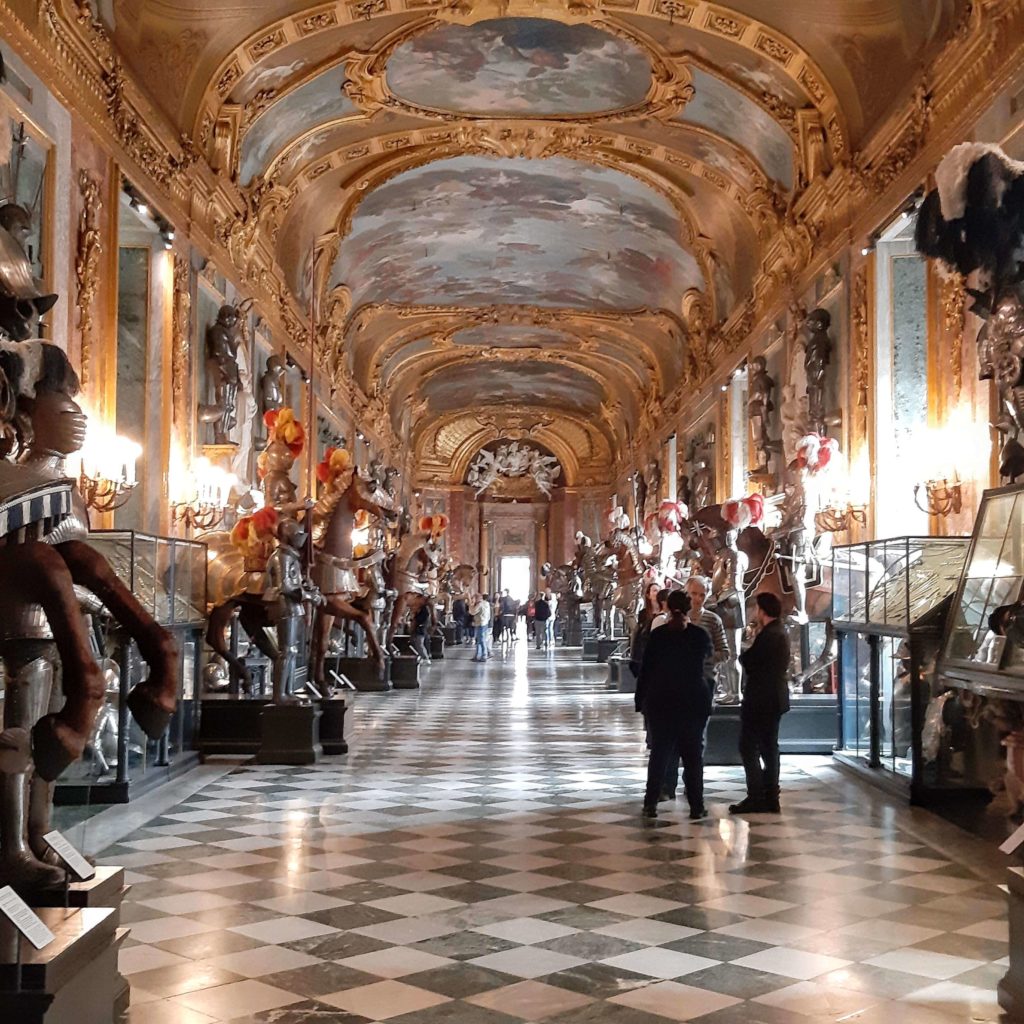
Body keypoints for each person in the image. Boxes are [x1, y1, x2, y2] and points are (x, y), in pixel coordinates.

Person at [636, 590, 712, 820]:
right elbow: (707, 667)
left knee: (659, 754)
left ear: (667, 608)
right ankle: (697, 806)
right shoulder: (700, 635)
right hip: (692, 700)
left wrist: (641, 701)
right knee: (692, 757)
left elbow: (646, 670)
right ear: (690, 609)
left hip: (663, 701)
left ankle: (651, 804)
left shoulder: (658, 635)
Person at [730, 592, 791, 815]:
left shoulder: (769, 635)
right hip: (775, 697)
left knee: (748, 746)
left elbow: (748, 660)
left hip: (760, 699)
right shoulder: (780, 632)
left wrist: (750, 646)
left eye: (757, 609)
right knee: (769, 747)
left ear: (762, 611)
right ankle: (770, 795)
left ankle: (756, 796)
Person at [685, 576, 730, 694]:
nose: (698, 599)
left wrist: (703, 657)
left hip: (705, 679)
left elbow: (725, 652)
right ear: (686, 593)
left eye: (702, 595)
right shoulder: (677, 619)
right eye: (694, 594)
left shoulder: (713, 620)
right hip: (681, 679)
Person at [470, 592, 492, 662]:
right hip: (485, 623)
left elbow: (472, 612)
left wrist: (471, 604)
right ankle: (478, 655)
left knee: (481, 640)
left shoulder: (479, 604)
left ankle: (484, 655)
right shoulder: (486, 603)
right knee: (480, 640)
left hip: (480, 623)